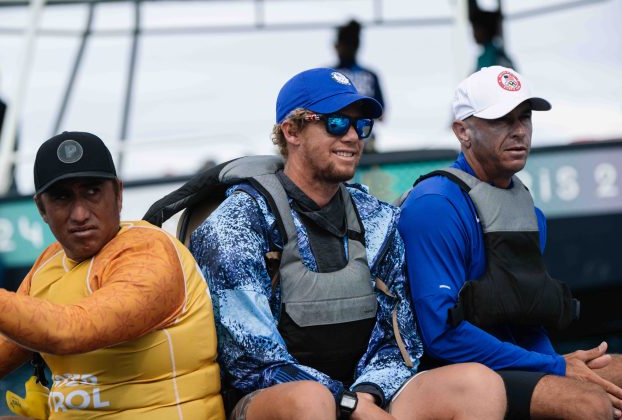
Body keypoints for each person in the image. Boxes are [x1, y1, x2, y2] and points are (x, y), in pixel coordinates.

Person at [190, 68, 507, 420]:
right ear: (291, 131)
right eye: (337, 123)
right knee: (311, 401)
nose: (354, 136)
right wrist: (347, 404)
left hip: (365, 396)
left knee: (479, 384)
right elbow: (252, 360)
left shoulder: (380, 221)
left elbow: (399, 341)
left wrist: (367, 395)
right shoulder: (236, 224)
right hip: (275, 400)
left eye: (362, 125)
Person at [398, 65, 622, 419]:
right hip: (452, 374)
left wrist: (559, 365)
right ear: (463, 131)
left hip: (514, 364)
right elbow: (442, 336)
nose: (518, 131)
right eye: (501, 119)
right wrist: (557, 369)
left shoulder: (529, 212)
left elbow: (525, 320)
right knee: (588, 404)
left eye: (525, 117)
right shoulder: (434, 205)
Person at [0, 131, 224, 419]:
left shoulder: (149, 252)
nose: (79, 214)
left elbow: (68, 331)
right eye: (62, 197)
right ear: (41, 208)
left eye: (92, 192)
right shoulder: (47, 264)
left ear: (118, 194)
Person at [334, 19, 385, 153]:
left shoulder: (330, 75)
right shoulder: (370, 75)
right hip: (364, 138)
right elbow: (382, 115)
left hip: (341, 139)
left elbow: (381, 114)